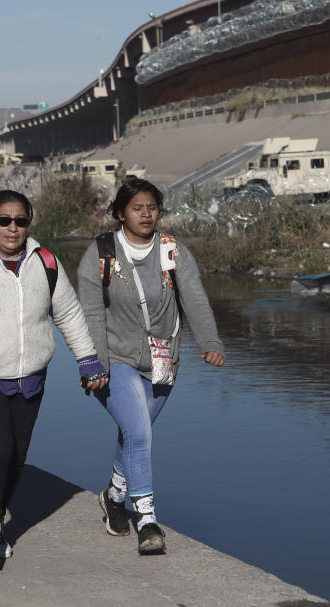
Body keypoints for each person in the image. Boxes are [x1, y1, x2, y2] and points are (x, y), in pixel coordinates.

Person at [0, 190, 107, 569]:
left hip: (31, 378)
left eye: (20, 221)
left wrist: (87, 360)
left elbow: (67, 313)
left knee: (17, 456)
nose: (13, 228)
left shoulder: (45, 262)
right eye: (4, 220)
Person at [76, 179, 225, 555]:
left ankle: (113, 496)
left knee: (133, 434)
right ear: (121, 212)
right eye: (137, 208)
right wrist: (95, 364)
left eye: (152, 207)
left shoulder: (173, 251)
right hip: (116, 359)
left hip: (162, 361)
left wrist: (209, 342)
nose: (146, 214)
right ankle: (146, 519)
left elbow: (194, 298)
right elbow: (91, 312)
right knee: (140, 433)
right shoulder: (101, 253)